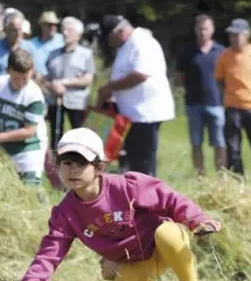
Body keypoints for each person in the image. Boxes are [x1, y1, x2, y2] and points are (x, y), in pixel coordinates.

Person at [4, 127, 221, 281]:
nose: (73, 170)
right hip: (136, 262)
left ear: (100, 167)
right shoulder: (65, 214)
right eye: (67, 163)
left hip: (164, 245)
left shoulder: (126, 186)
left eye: (82, 163)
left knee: (167, 232)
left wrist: (197, 220)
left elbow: (171, 199)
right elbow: (48, 257)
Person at [96, 15, 175, 177]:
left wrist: (110, 88)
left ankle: (149, 196)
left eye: (108, 38)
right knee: (134, 159)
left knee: (144, 161)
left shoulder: (141, 42)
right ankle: (136, 194)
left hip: (146, 113)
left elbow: (140, 75)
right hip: (133, 113)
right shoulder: (127, 45)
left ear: (117, 33)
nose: (109, 43)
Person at [214, 18, 251, 184]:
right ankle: (237, 184)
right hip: (233, 107)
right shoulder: (224, 56)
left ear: (246, 35)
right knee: (233, 149)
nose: (234, 38)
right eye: (231, 35)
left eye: (237, 35)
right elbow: (220, 80)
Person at [0, 48, 47, 184]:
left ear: (31, 71)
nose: (21, 83)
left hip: (28, 151)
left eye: (25, 78)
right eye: (16, 78)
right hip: (3, 148)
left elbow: (29, 131)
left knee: (30, 192)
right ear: (8, 70)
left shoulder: (34, 95)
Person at [175, 14, 227, 175]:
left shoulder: (221, 52)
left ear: (212, 30)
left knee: (219, 143)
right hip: (193, 104)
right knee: (196, 143)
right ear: (195, 30)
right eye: (199, 29)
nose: (202, 32)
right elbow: (179, 78)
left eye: (205, 29)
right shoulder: (188, 52)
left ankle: (221, 177)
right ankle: (201, 176)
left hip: (216, 103)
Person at [45, 16, 96, 150]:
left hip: (76, 102)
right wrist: (52, 86)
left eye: (69, 30)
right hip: (55, 101)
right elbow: (46, 79)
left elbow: (88, 79)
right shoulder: (53, 54)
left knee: (79, 134)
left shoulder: (86, 54)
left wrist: (65, 83)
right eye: (63, 29)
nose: (65, 33)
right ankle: (56, 163)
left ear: (78, 35)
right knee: (56, 134)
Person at [30, 11, 64, 115]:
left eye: (55, 25)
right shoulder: (32, 43)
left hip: (57, 88)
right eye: (50, 25)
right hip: (38, 86)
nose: (53, 27)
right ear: (42, 25)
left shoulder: (61, 40)